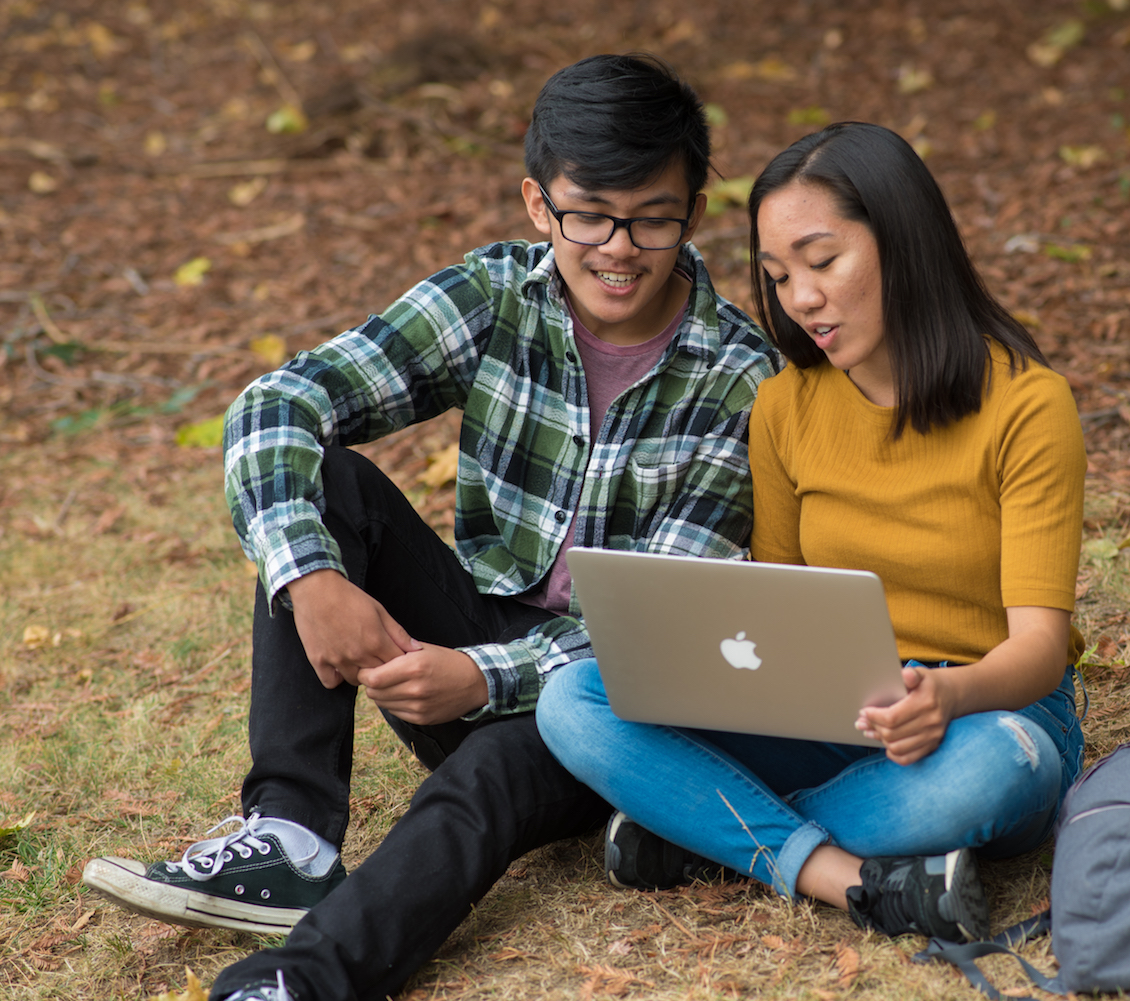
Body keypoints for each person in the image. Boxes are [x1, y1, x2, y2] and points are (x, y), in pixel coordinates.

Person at [81, 54, 778, 1001]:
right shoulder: (497, 297)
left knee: (490, 769)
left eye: (652, 215)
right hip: (470, 633)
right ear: (540, 204)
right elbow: (280, 400)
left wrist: (477, 680)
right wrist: (309, 580)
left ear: (694, 211)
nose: (619, 246)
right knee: (327, 480)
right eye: (589, 214)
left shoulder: (739, 378)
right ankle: (289, 834)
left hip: (614, 704)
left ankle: (300, 983)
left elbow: (663, 629)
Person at [536, 121, 1087, 943]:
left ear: (903, 241)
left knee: (995, 768)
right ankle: (845, 876)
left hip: (984, 711)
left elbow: (1041, 644)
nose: (800, 298)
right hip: (833, 713)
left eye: (823, 263)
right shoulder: (785, 406)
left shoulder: (1027, 405)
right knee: (573, 697)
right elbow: (779, 609)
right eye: (779, 275)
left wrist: (947, 694)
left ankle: (708, 836)